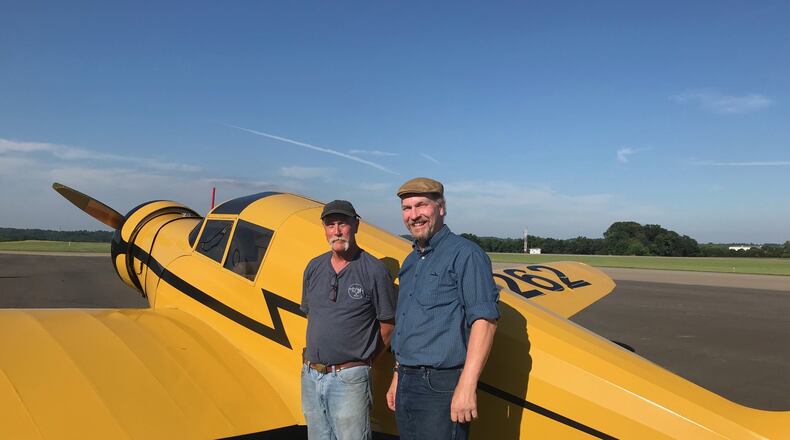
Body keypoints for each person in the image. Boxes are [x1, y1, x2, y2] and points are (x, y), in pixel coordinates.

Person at [386, 178, 499, 440]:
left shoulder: (466, 254)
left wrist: (467, 386)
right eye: (406, 208)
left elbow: (485, 322)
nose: (413, 215)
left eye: (421, 206)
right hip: (406, 379)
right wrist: (397, 375)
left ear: (441, 207)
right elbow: (408, 323)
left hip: (441, 385)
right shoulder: (412, 260)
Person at [301, 200, 397, 440]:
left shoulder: (374, 270)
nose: (337, 231)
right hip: (312, 375)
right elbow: (311, 314)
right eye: (330, 225)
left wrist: (363, 362)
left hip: (349, 379)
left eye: (342, 224)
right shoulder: (313, 267)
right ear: (324, 229)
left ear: (355, 225)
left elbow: (388, 324)